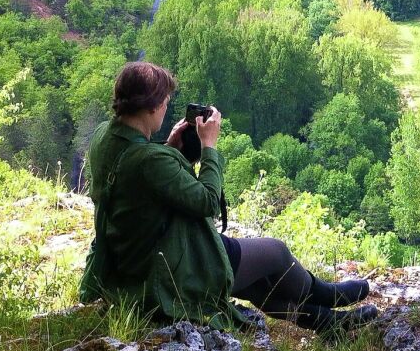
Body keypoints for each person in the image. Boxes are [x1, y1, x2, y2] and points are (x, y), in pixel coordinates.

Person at [80, 61, 377, 335]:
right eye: (165, 102)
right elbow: (207, 202)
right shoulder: (149, 160)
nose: (166, 108)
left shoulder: (103, 136)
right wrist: (209, 146)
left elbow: (144, 183)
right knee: (275, 253)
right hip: (166, 267)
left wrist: (170, 148)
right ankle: (327, 293)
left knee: (257, 286)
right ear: (152, 107)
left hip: (133, 255)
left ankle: (328, 323)